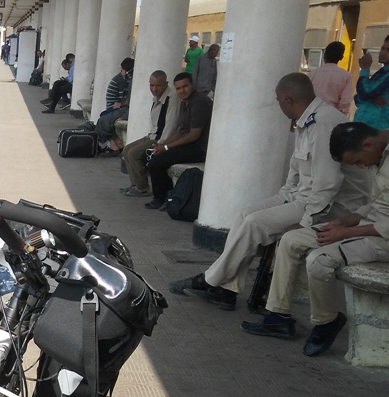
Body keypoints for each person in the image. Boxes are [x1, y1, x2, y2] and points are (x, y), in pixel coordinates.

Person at [169, 73, 371, 311]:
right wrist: (280, 200)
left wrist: (306, 223)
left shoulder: (324, 124)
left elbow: (326, 187)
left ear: (287, 99)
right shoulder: (306, 121)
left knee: (255, 223)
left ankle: (210, 280)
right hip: (302, 197)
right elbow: (294, 178)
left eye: (278, 100)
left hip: (331, 207)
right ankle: (226, 289)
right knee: (245, 215)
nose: (277, 105)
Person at [242, 122, 389, 356]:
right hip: (365, 226)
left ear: (368, 144)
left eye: (358, 161)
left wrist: (347, 233)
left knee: (320, 261)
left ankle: (326, 321)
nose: (361, 166)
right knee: (290, 239)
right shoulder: (378, 153)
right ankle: (278, 316)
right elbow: (374, 205)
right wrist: (345, 222)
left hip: (383, 238)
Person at [143, 72, 213, 206]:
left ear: (192, 84)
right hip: (188, 145)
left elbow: (194, 135)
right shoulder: (185, 101)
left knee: (156, 162)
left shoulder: (199, 101)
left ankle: (160, 198)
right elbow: (180, 130)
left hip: (199, 148)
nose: (182, 91)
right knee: (151, 156)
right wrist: (162, 144)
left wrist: (167, 147)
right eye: (178, 88)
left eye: (185, 86)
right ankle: (169, 194)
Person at [119, 70, 180, 197]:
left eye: (158, 85)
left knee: (133, 153)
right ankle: (135, 184)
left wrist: (161, 144)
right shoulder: (157, 97)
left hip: (160, 139)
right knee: (126, 150)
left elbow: (171, 125)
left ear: (166, 84)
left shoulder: (171, 99)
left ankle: (142, 187)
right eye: (151, 85)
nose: (154, 88)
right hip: (152, 135)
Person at [95, 57, 135, 154]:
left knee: (104, 119)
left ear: (124, 69)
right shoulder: (128, 79)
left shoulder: (128, 79)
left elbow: (127, 100)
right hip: (118, 107)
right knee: (105, 118)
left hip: (123, 108)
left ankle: (116, 145)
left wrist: (121, 105)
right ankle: (116, 144)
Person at [354, 35, 389, 129]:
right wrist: (370, 98)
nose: (383, 53)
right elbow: (357, 98)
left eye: (388, 50)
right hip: (362, 126)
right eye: (383, 48)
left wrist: (365, 69)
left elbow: (364, 94)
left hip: (377, 130)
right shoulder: (380, 73)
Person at [309, 41, 351, 115]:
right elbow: (345, 102)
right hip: (331, 115)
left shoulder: (312, 74)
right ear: (341, 57)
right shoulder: (346, 76)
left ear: (324, 55)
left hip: (311, 114)